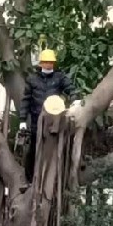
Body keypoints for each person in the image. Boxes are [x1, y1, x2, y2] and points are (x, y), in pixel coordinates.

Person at [22, 49, 75, 180]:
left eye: (51, 62)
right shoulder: (32, 79)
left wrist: (75, 100)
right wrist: (22, 120)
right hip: (36, 121)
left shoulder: (59, 77)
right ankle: (30, 179)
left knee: (53, 149)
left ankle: (53, 177)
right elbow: (25, 100)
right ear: (41, 63)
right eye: (46, 62)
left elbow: (71, 89)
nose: (48, 64)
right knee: (34, 149)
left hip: (54, 122)